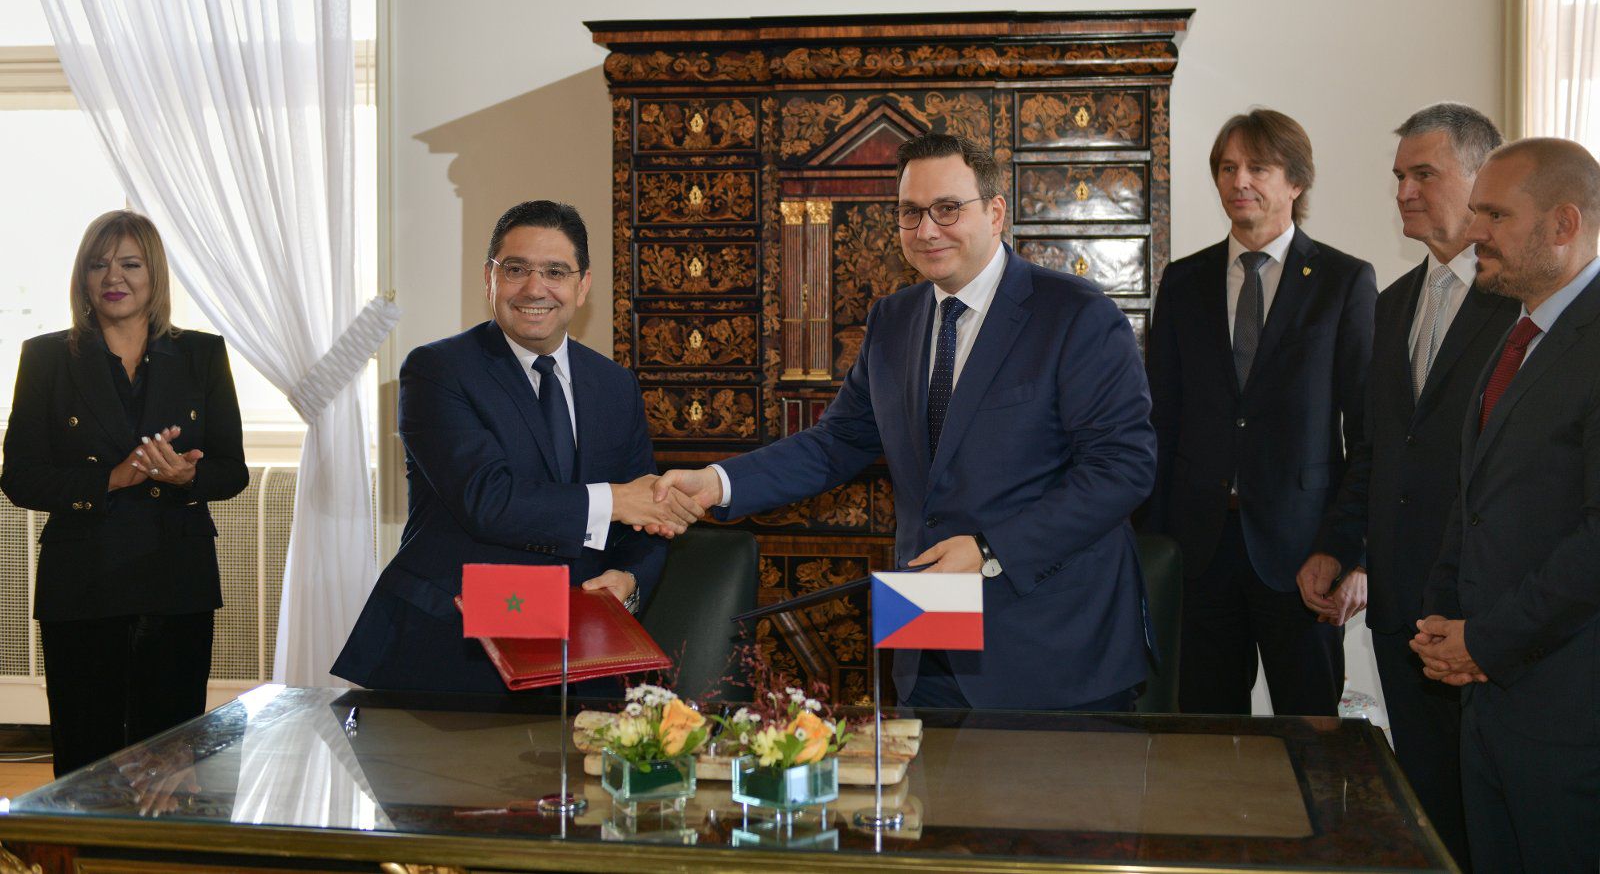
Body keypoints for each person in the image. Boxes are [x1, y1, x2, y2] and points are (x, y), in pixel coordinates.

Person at [653, 133, 1156, 711]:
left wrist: (990, 548)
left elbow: (1124, 469)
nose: (927, 230)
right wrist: (717, 482)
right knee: (919, 774)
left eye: (948, 208)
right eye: (910, 212)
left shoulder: (1077, 314)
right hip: (926, 637)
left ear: (995, 213)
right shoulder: (893, 320)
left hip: (1053, 647)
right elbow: (837, 442)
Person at [332, 200, 699, 692]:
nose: (534, 288)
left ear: (582, 286)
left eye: (555, 272)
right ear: (490, 278)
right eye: (516, 269)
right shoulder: (437, 370)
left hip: (580, 649)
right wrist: (615, 500)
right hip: (454, 648)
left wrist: (629, 577)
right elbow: (488, 501)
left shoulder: (615, 385)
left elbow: (647, 514)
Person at [1298, 103, 1514, 866]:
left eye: (1424, 173)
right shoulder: (1391, 305)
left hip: (1484, 615)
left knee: (1494, 820)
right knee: (1427, 812)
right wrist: (1338, 547)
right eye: (1398, 176)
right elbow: (1376, 450)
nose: (1403, 192)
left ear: (1482, 178)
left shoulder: (1521, 307)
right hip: (1399, 611)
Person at [1142, 108, 1376, 716]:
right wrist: (1151, 542)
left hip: (1304, 553)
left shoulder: (1343, 281)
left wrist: (1349, 551)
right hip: (1199, 551)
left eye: (1258, 167)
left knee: (1311, 733)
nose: (1239, 180)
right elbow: (1160, 420)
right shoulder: (1184, 281)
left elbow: (1368, 433)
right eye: (1227, 168)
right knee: (1203, 736)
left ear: (1296, 182)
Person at [1, 210, 247, 775]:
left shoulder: (202, 354)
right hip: (82, 581)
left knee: (172, 758)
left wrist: (187, 478)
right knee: (86, 756)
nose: (114, 277)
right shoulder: (45, 357)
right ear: (83, 279)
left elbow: (232, 471)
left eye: (131, 264)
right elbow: (19, 477)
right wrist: (109, 480)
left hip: (177, 577)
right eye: (99, 265)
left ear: (153, 274)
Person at [1414, 137, 1600, 873]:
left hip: (1571, 713)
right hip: (1490, 703)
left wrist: (1486, 642)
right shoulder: (1521, 333)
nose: (1474, 231)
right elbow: (1478, 499)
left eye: (1495, 214)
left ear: (1563, 224)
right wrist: (1442, 621)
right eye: (1476, 211)